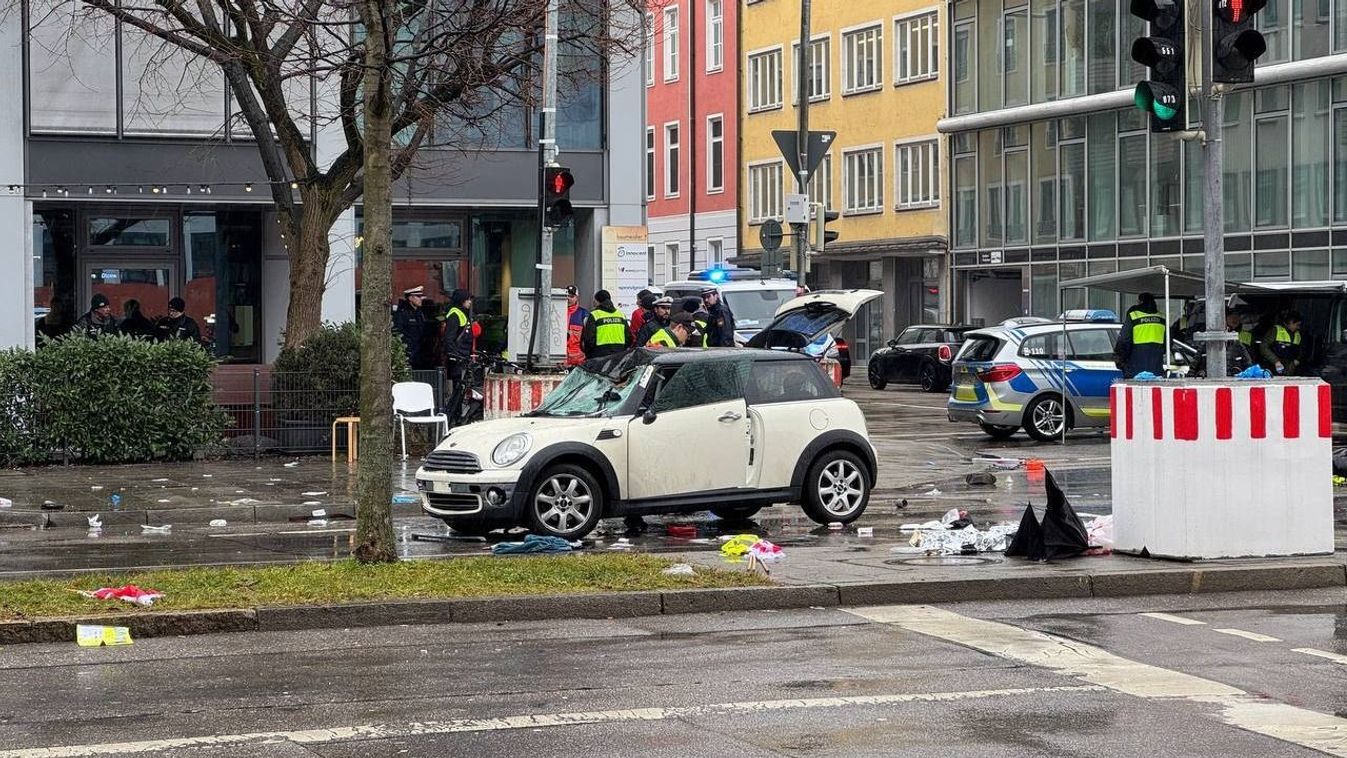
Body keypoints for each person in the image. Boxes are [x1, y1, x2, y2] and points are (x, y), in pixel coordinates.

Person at [443, 289, 476, 423]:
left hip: (463, 357)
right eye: (468, 299)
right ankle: (454, 418)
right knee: (457, 391)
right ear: (462, 300)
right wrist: (455, 356)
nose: (470, 302)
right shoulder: (455, 314)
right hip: (458, 359)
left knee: (461, 390)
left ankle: (457, 416)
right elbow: (449, 338)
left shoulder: (463, 313)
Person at [1114, 292, 1166, 378]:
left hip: (1135, 367)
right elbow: (1168, 343)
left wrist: (1120, 361)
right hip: (1156, 368)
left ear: (1141, 302)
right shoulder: (1162, 318)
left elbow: (1124, 340)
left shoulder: (1134, 316)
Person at [581, 289, 632, 359]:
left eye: (594, 300)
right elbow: (628, 338)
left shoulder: (595, 315)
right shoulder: (621, 315)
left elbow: (589, 340)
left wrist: (590, 355)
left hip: (599, 357)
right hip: (619, 356)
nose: (593, 302)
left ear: (598, 301)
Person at [393, 285, 430, 369]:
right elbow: (398, 332)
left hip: (419, 354)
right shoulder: (402, 314)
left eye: (421, 297)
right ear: (410, 298)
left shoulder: (419, 313)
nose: (421, 299)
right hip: (408, 353)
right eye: (418, 296)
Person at [1260, 309, 1304, 375]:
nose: (1298, 327)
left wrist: (1296, 360)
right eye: (1297, 324)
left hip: (1289, 370)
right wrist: (1275, 361)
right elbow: (1263, 347)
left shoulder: (1298, 334)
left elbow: (1300, 350)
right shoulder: (1275, 331)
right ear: (1290, 322)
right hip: (1272, 368)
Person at [565, 285, 590, 367]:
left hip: (579, 361)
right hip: (561, 362)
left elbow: (589, 338)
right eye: (566, 296)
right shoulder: (556, 312)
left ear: (577, 297)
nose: (568, 298)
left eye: (571, 296)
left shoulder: (584, 314)